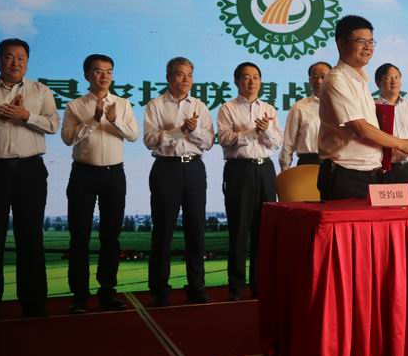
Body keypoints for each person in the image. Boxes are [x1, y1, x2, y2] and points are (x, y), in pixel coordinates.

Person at [0, 38, 60, 319]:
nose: (15, 62)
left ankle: (34, 303)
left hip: (30, 171)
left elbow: (53, 125)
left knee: (30, 237)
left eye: (21, 58)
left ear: (27, 61)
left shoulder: (40, 91)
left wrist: (26, 115)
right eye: (9, 57)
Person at [61, 54, 139, 314]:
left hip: (114, 175)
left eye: (108, 71)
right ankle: (79, 296)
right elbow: (67, 139)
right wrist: (94, 120)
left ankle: (107, 292)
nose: (104, 76)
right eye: (98, 71)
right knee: (79, 237)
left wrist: (114, 120)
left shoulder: (123, 104)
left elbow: (133, 135)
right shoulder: (75, 105)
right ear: (87, 75)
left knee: (111, 236)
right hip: (83, 175)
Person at [317, 15, 408, 201]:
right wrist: (402, 144)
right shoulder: (337, 80)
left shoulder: (360, 79)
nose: (368, 47)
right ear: (341, 44)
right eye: (361, 41)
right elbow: (361, 129)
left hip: (370, 173)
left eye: (371, 42)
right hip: (345, 175)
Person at [143, 57, 214, 307]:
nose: (185, 80)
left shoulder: (200, 106)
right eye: (180, 74)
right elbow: (150, 140)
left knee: (196, 229)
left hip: (194, 168)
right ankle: (159, 289)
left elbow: (209, 142)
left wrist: (193, 131)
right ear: (168, 77)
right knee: (163, 230)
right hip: (166, 168)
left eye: (189, 75)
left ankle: (196, 287)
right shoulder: (155, 105)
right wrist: (179, 131)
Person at [217, 62, 282, 300]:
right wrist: (253, 132)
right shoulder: (227, 108)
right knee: (239, 229)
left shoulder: (268, 108)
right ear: (237, 81)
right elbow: (225, 139)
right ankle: (236, 287)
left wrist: (266, 131)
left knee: (263, 230)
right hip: (239, 170)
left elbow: (277, 142)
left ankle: (259, 283)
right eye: (246, 77)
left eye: (256, 77)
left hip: (265, 169)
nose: (251, 81)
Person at [374, 63, 408, 197]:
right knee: (382, 208)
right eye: (388, 77)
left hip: (406, 169)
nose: (394, 81)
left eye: (397, 77)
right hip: (382, 170)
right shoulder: (372, 107)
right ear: (378, 83)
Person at [279, 62, 331, 170]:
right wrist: (285, 171)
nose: (319, 81)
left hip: (335, 165)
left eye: (323, 77)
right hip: (307, 163)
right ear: (309, 81)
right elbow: (288, 144)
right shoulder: (299, 107)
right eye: (314, 77)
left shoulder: (341, 105)